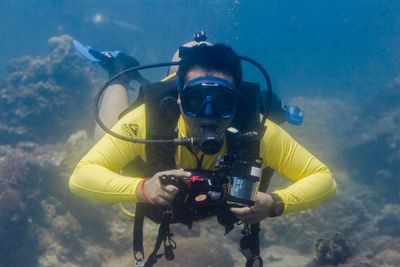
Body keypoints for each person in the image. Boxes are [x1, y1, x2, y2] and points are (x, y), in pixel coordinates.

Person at [69, 38, 336, 266]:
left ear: (236, 102)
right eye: (196, 100)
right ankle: (121, 70)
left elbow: (324, 179)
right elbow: (81, 177)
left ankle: (195, 54)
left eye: (222, 102)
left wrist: (275, 204)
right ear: (179, 99)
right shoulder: (147, 121)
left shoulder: (256, 130)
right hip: (156, 131)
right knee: (107, 135)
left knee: (198, 47)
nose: (208, 115)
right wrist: (142, 189)